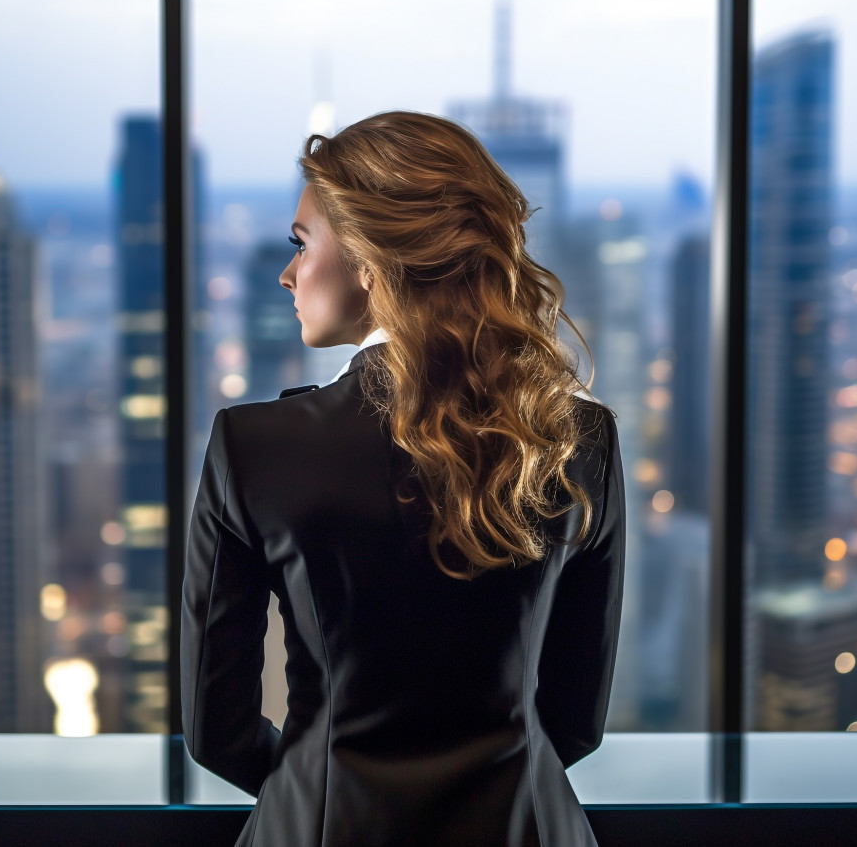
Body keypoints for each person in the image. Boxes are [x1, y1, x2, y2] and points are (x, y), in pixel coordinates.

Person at [181, 110, 625, 847]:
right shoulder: (578, 440)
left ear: (368, 259)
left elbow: (215, 728)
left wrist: (317, 780)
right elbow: (575, 721)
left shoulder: (252, 446)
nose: (288, 272)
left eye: (302, 243)